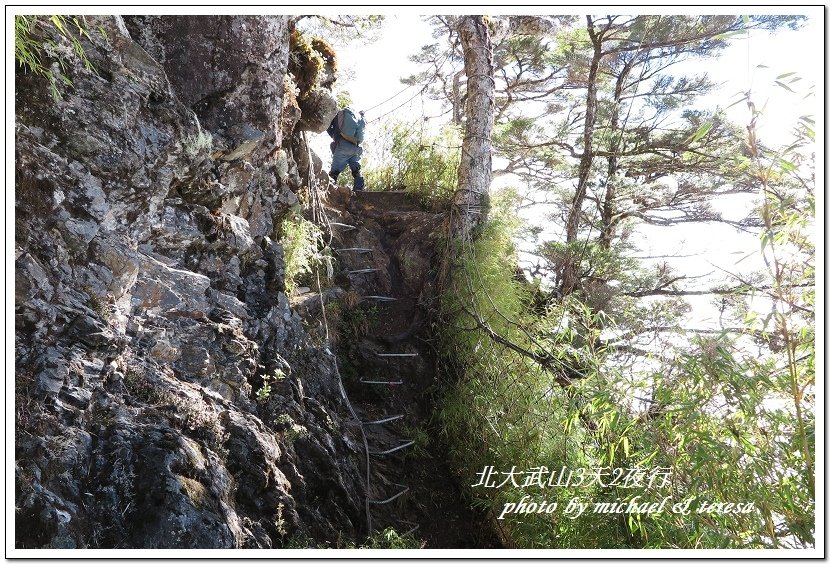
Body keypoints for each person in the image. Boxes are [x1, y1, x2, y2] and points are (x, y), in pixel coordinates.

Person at [327, 107, 366, 191]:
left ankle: (330, 191)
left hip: (343, 146)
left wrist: (334, 135)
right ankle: (359, 191)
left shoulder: (338, 115)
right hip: (356, 147)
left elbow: (329, 128)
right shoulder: (359, 120)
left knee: (334, 172)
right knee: (356, 170)